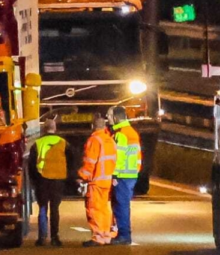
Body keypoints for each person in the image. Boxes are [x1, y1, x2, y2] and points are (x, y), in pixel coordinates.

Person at [29, 117, 72, 246]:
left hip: (42, 179)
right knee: (54, 209)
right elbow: (71, 160)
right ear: (55, 128)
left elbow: (31, 164)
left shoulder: (37, 143)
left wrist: (34, 180)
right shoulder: (63, 143)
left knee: (43, 208)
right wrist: (68, 176)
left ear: (44, 129)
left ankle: (42, 237)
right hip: (58, 180)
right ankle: (54, 237)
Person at [78, 114, 116, 246]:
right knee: (104, 208)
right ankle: (106, 235)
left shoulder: (94, 140)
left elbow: (90, 162)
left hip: (96, 181)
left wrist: (82, 176)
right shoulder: (109, 140)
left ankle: (98, 237)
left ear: (93, 126)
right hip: (107, 180)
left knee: (94, 209)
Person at [107, 105, 142, 245]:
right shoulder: (130, 131)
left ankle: (124, 235)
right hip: (131, 174)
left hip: (122, 175)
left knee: (121, 205)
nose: (107, 118)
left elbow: (119, 157)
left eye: (109, 116)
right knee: (123, 204)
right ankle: (123, 234)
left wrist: (114, 175)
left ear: (116, 118)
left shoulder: (121, 133)